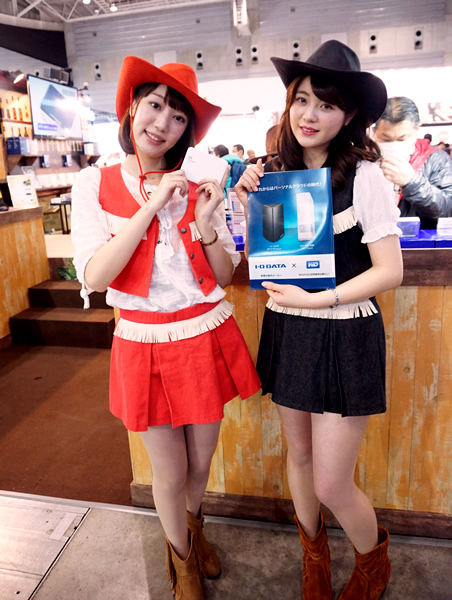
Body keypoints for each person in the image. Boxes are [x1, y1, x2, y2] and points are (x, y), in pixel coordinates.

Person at [71, 57, 260, 600]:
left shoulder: (200, 183)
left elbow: (223, 276)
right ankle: (182, 564)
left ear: (188, 130)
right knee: (170, 472)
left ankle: (194, 532)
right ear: (132, 106)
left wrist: (204, 225)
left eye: (179, 117)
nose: (163, 124)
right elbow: (96, 275)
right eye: (154, 105)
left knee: (200, 463)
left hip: (204, 332)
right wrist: (152, 205)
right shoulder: (94, 182)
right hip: (144, 340)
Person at [235, 40, 403, 600]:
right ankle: (314, 556)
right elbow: (264, 260)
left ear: (349, 115)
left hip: (345, 330)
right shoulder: (273, 175)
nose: (309, 115)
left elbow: (390, 271)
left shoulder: (364, 176)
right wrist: (245, 201)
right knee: (301, 457)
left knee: (331, 481)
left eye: (326, 105)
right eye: (302, 100)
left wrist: (318, 299)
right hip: (288, 328)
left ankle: (373, 563)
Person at [374, 96, 452, 229]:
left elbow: (447, 209)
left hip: (418, 238)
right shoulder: (363, 160)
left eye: (402, 139)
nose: (394, 145)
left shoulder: (436, 160)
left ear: (417, 129)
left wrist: (411, 183)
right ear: (375, 131)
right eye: (386, 139)